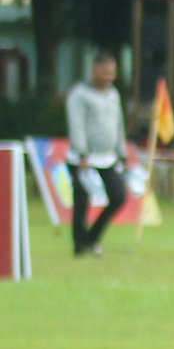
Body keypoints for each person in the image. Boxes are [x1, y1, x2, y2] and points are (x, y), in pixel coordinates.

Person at [64, 51, 128, 258]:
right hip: (83, 158)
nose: (109, 77)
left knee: (118, 196)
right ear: (95, 69)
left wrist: (122, 151)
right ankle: (80, 245)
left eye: (112, 73)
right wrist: (82, 152)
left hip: (107, 157)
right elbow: (77, 124)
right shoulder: (80, 94)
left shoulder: (113, 94)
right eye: (105, 72)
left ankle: (93, 237)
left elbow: (118, 124)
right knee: (82, 201)